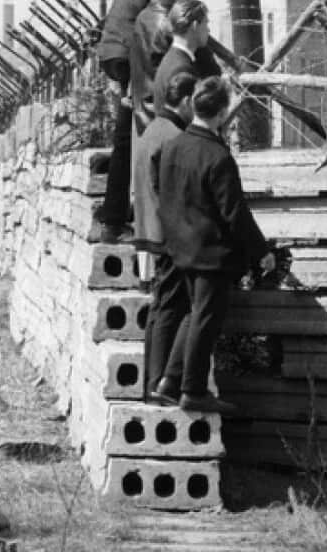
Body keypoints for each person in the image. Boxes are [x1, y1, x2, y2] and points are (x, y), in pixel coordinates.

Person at [156, 76, 274, 414]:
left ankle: (170, 381)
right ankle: (192, 390)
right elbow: (234, 213)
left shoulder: (173, 146)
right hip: (210, 253)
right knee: (206, 320)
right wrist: (261, 252)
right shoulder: (217, 156)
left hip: (181, 248)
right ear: (222, 114)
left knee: (194, 315)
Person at [91, 0, 180, 245]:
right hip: (128, 59)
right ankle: (115, 220)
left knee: (125, 137)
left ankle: (111, 217)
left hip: (111, 56)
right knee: (134, 139)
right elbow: (144, 32)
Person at [132, 71, 198, 405]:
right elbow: (175, 191)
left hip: (150, 229)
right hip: (169, 233)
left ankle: (150, 382)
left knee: (160, 308)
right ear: (186, 101)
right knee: (173, 308)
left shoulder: (152, 130)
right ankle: (159, 383)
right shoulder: (174, 136)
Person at [130, 0, 219, 123]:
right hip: (170, 116)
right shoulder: (174, 25)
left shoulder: (143, 16)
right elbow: (210, 71)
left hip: (145, 112)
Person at [152, 0, 215, 112]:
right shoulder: (182, 68)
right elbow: (190, 121)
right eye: (206, 23)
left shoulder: (173, 58)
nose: (208, 30)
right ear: (195, 26)